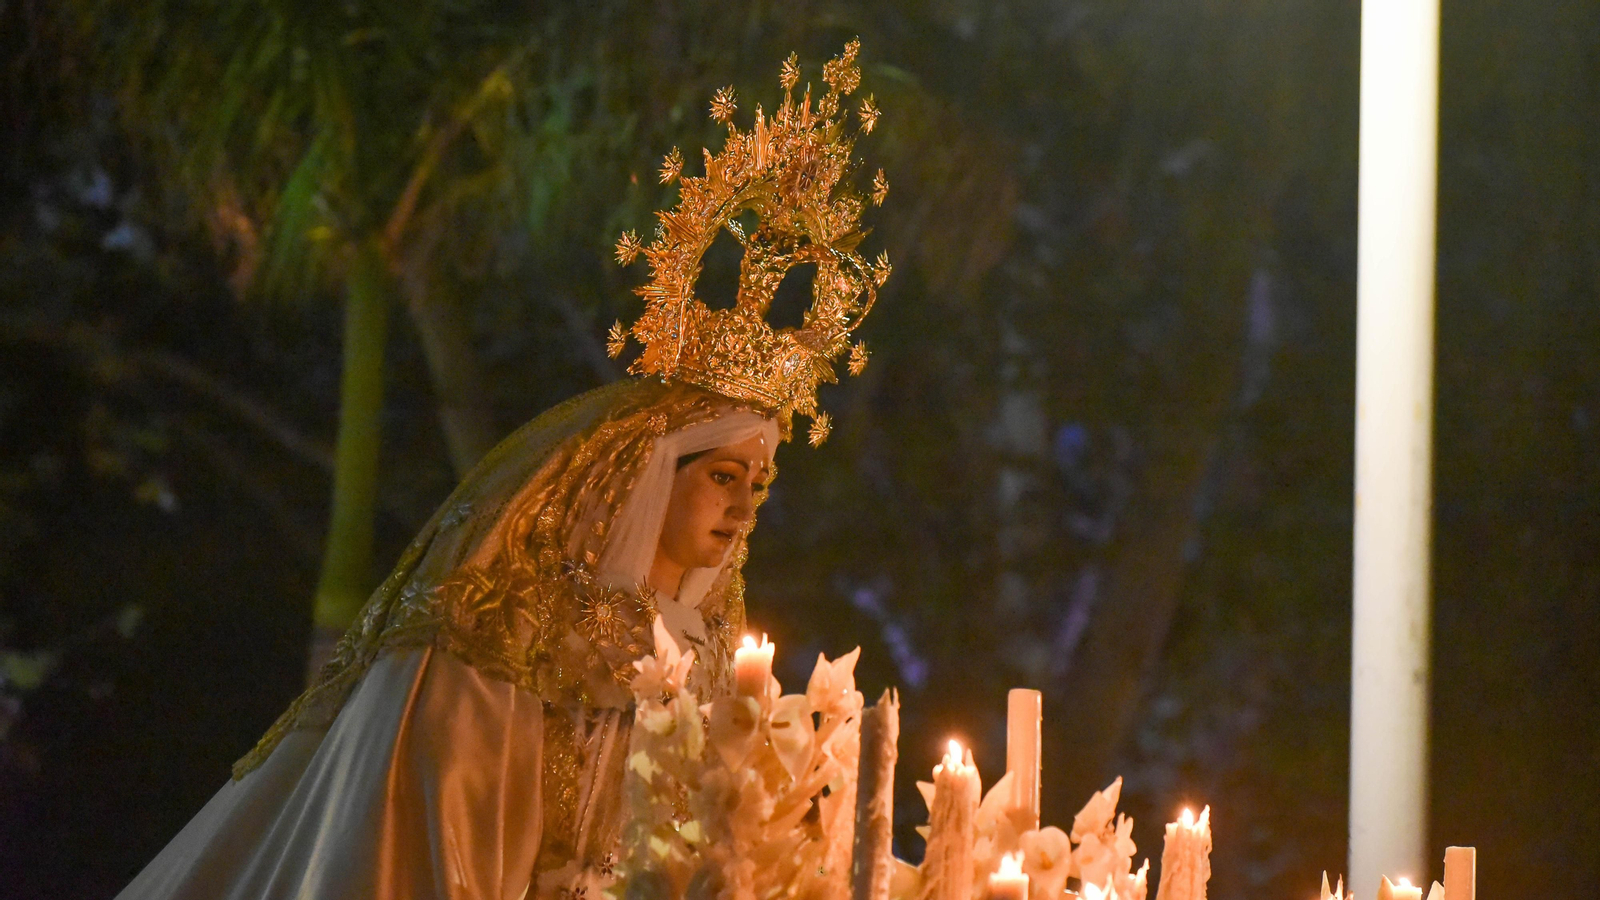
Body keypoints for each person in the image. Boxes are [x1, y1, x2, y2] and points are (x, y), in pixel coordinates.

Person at [115, 40, 885, 900]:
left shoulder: (716, 658)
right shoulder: (508, 645)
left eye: (760, 484)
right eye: (722, 477)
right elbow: (428, 843)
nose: (745, 508)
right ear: (645, 473)